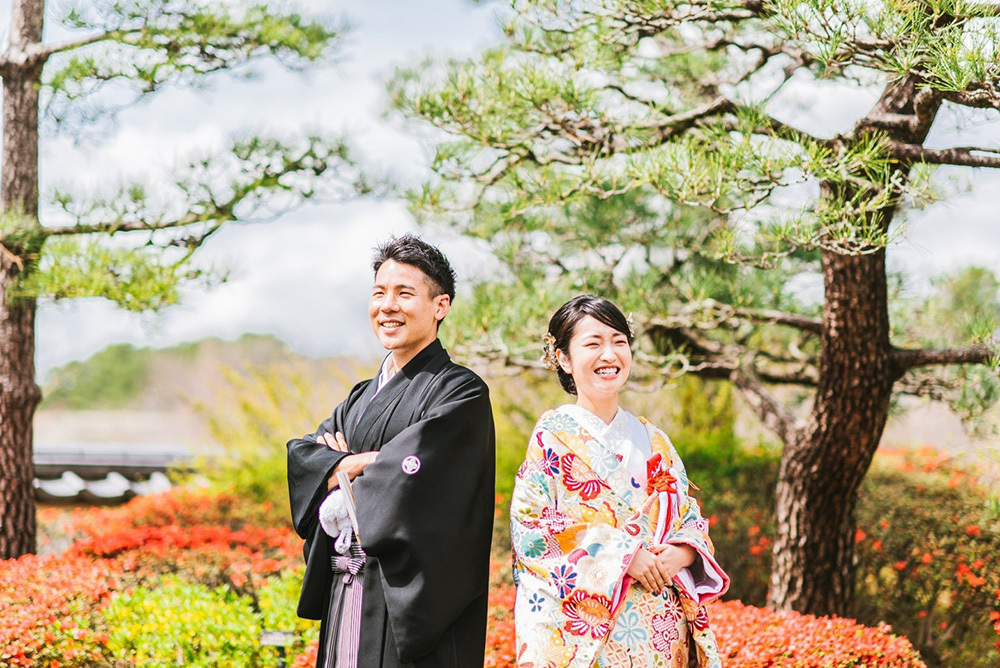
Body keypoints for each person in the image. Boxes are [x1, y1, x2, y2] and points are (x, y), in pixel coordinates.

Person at [287, 234, 496, 668]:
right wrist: (361, 463)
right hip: (348, 589)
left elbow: (418, 478)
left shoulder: (460, 392)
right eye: (379, 293)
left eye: (405, 293)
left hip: (410, 605)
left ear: (441, 306)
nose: (387, 305)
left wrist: (348, 465)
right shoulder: (362, 396)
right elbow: (307, 454)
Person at [510, 295, 730, 667]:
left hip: (658, 624)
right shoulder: (552, 436)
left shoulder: (653, 437)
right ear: (563, 358)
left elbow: (688, 516)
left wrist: (684, 552)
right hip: (588, 626)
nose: (609, 355)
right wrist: (623, 556)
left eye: (619, 341)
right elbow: (532, 531)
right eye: (593, 343)